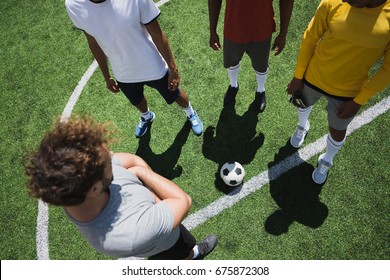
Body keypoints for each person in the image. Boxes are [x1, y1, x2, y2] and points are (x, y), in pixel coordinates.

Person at [24, 116, 218, 259]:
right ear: (94, 189)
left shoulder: (73, 187)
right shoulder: (130, 232)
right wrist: (142, 174)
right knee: (181, 253)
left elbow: (133, 160)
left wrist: (149, 189)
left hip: (156, 229)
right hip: (164, 247)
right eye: (108, 160)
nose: (113, 156)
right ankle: (194, 255)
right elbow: (183, 201)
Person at [65, 0, 203, 138]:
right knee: (136, 101)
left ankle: (190, 112)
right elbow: (92, 41)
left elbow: (157, 34)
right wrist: (106, 76)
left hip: (153, 65)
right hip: (122, 72)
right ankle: (147, 116)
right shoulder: (74, 5)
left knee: (176, 95)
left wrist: (173, 69)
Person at [287, 0, 390, 184]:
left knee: (337, 129)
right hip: (314, 77)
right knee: (301, 104)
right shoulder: (333, 2)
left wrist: (359, 101)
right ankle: (303, 126)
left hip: (348, 92)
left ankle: (327, 159)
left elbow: (387, 69)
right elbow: (310, 37)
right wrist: (298, 76)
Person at [208, 0, 295, 112]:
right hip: (234, 27)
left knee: (261, 65)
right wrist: (212, 31)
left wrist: (283, 34)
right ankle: (233, 85)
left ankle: (260, 90)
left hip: (262, 28)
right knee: (232, 61)